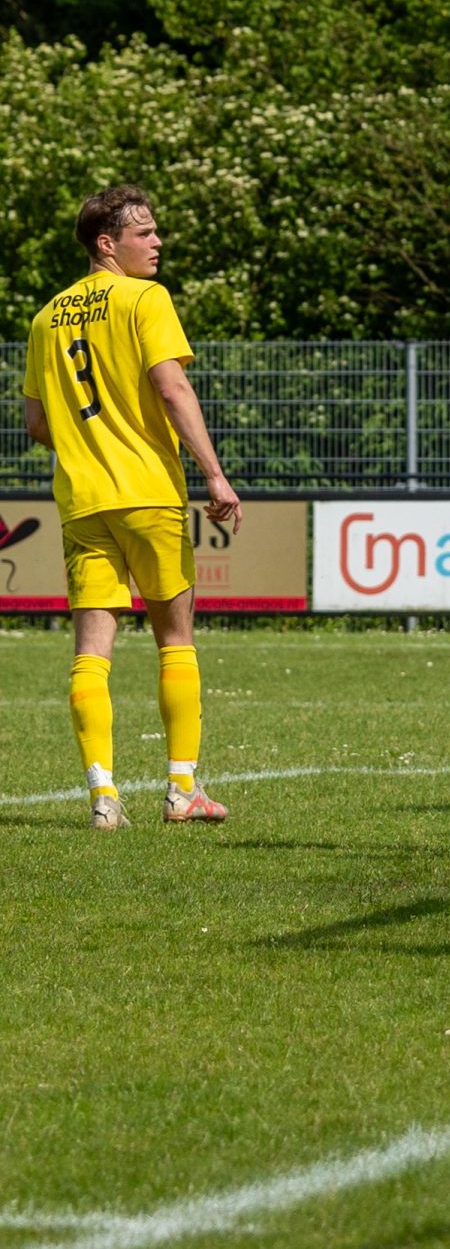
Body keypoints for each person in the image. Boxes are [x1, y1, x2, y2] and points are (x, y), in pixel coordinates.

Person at [22, 186, 241, 830]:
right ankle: (182, 791)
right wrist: (215, 474)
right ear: (107, 243)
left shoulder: (45, 318)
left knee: (92, 651)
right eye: (143, 232)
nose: (157, 241)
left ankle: (103, 796)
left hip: (82, 500)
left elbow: (36, 422)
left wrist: (87, 443)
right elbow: (172, 388)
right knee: (176, 639)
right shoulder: (146, 298)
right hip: (148, 492)